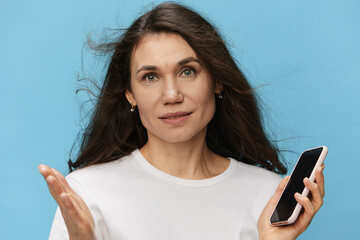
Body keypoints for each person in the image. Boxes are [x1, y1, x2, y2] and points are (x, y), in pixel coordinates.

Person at [39, 2, 325, 240]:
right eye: (150, 77)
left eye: (187, 72)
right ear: (129, 93)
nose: (172, 95)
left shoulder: (267, 195)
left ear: (217, 81)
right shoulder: (85, 193)